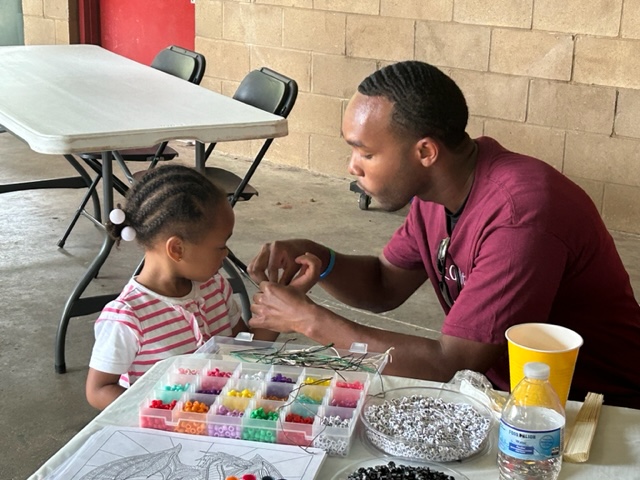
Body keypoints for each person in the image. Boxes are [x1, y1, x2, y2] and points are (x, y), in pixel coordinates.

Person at [247, 61, 640, 409]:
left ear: (425, 152)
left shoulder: (521, 215)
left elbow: (448, 363)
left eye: (365, 153)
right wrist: (321, 258)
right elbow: (384, 284)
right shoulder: (438, 191)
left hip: (591, 406)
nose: (353, 167)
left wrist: (309, 321)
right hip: (508, 394)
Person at [86, 165, 276, 410]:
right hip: (165, 431)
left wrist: (278, 314)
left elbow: (243, 351)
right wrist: (162, 411)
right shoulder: (128, 318)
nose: (226, 253)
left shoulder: (215, 288)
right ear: (177, 249)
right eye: (221, 245)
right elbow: (98, 389)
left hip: (221, 418)